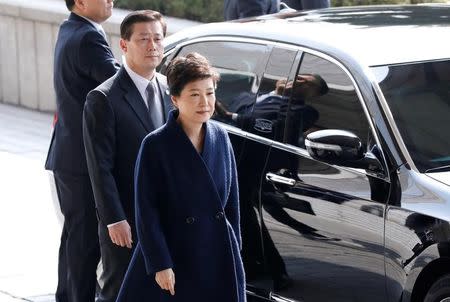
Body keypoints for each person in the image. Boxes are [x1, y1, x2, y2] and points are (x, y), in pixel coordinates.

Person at [116, 53, 246, 302]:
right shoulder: (155, 144)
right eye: (194, 94)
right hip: (175, 252)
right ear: (175, 99)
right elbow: (146, 211)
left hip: (217, 250)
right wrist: (160, 263)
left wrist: (234, 249)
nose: (205, 102)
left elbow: (232, 203)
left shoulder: (221, 136)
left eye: (209, 93)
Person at [83, 10, 171, 302]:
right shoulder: (103, 98)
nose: (152, 46)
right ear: (124, 45)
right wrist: (114, 219)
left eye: (157, 38)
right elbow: (100, 167)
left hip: (164, 215)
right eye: (143, 39)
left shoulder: (170, 90)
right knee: (120, 290)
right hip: (126, 220)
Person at [44, 0, 119, 301]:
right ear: (81, 2)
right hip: (80, 160)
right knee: (84, 242)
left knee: (76, 238)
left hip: (68, 155)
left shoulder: (71, 27)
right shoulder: (88, 37)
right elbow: (118, 84)